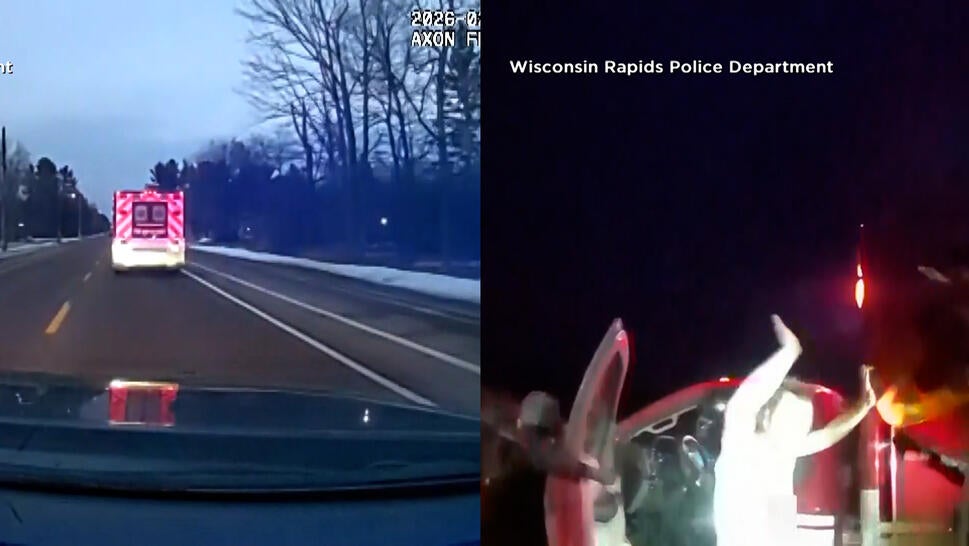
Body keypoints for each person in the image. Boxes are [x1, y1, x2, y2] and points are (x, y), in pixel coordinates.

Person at [713, 315, 877, 546]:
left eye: (804, 423)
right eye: (792, 420)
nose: (798, 429)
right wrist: (789, 353)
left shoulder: (786, 454)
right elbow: (741, 404)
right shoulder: (741, 445)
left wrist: (862, 409)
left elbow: (827, 435)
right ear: (768, 417)